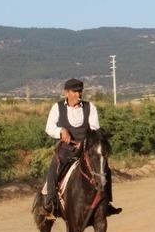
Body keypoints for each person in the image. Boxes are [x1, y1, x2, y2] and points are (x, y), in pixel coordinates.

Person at [42, 78, 121, 219]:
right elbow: (49, 127)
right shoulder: (57, 107)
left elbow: (95, 129)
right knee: (54, 169)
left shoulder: (90, 107)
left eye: (80, 91)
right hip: (66, 149)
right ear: (66, 92)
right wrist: (61, 131)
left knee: (104, 169)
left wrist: (85, 142)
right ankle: (50, 204)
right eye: (75, 92)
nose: (79, 94)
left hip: (85, 149)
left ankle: (106, 202)